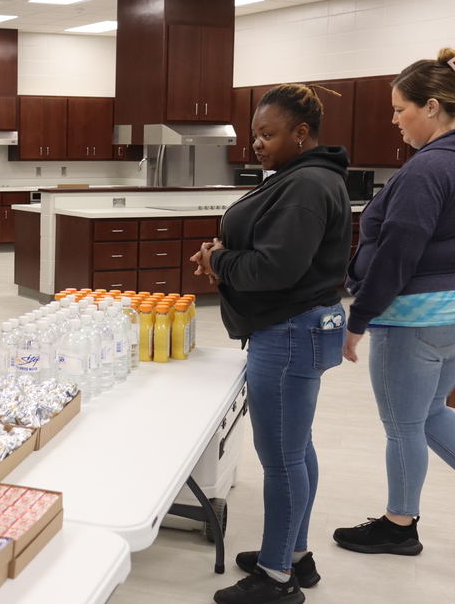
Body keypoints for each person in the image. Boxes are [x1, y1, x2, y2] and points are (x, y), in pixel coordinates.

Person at [191, 84, 352, 604]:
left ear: (301, 134)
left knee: (281, 458)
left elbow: (275, 268)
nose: (256, 143)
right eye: (254, 134)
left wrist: (219, 261)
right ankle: (295, 555)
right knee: (297, 447)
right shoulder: (299, 177)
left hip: (288, 332)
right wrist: (226, 255)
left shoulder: (305, 185)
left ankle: (277, 577)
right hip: (302, 326)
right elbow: (274, 255)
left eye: (268, 134)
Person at [333, 48, 455, 556]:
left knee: (403, 425)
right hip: (451, 318)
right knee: (428, 414)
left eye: (399, 108)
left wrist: (358, 318)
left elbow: (398, 250)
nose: (394, 120)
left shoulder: (425, 171)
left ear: (431, 106)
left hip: (413, 320)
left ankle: (399, 525)